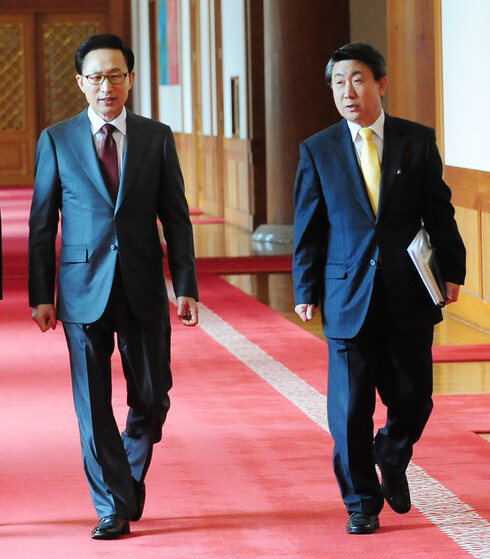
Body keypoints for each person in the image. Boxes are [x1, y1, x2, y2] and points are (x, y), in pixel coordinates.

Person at [28, 34, 199, 540]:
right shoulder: (57, 139)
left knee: (154, 396)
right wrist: (42, 295)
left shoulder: (156, 137)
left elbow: (176, 217)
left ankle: (124, 477)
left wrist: (185, 284)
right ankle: (112, 505)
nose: (107, 86)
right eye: (97, 77)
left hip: (143, 283)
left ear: (130, 79)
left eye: (116, 75)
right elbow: (42, 223)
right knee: (93, 403)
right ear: (81, 82)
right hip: (81, 288)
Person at [292, 42, 466, 535]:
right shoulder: (318, 149)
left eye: (357, 79)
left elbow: (439, 211)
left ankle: (390, 453)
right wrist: (305, 287)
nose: (347, 91)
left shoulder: (416, 142)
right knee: (349, 409)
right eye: (338, 83)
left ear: (381, 84)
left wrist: (453, 271)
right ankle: (361, 503)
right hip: (346, 292)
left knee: (415, 398)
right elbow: (308, 225)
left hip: (409, 291)